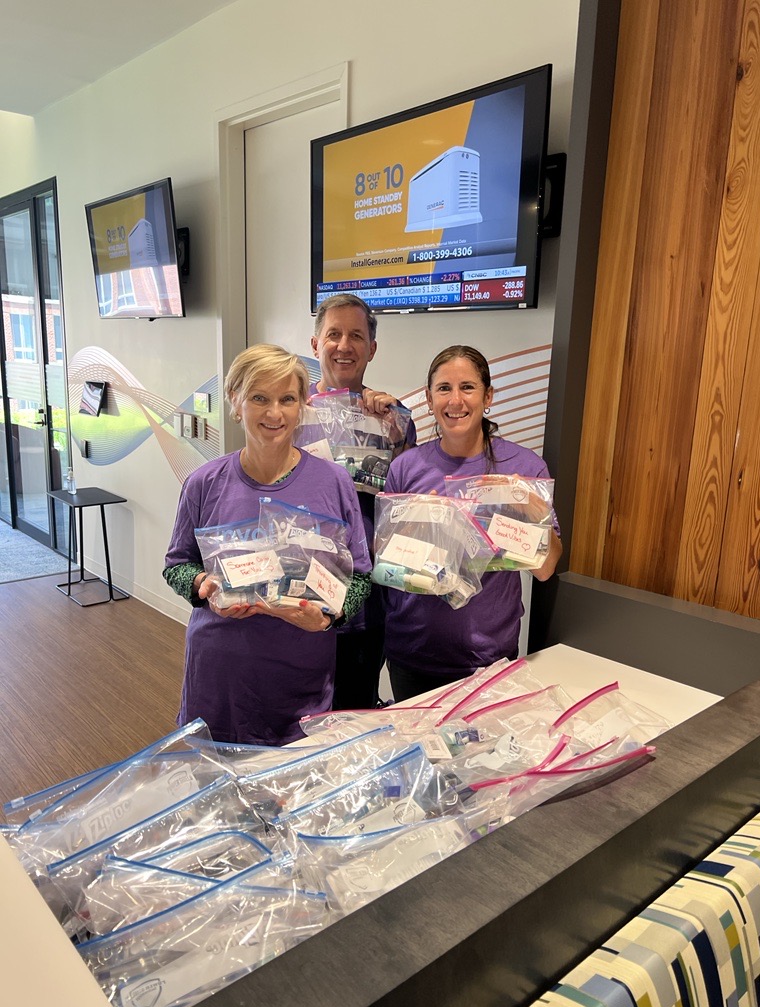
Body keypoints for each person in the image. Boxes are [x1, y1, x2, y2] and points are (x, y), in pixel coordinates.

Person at [163, 344, 371, 745]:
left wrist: (331, 617)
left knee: (294, 792)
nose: (274, 413)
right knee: (218, 791)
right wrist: (202, 585)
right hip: (219, 674)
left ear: (302, 405)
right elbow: (177, 565)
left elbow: (359, 576)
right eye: (259, 398)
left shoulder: (334, 482)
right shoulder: (204, 483)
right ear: (236, 403)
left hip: (300, 673)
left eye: (287, 399)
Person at [382, 344, 563, 702]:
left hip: (489, 659)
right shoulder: (406, 468)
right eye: (444, 388)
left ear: (488, 396)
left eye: (467, 387)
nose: (455, 401)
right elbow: (387, 567)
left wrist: (526, 503)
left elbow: (547, 568)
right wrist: (417, 526)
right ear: (429, 398)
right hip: (412, 654)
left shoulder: (524, 468)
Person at [310, 293, 416, 710]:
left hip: (365, 603)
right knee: (295, 714)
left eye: (356, 335)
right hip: (297, 589)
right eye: (333, 334)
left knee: (355, 711)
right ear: (315, 344)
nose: (344, 345)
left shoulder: (393, 420)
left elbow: (404, 507)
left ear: (372, 349)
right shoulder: (289, 410)